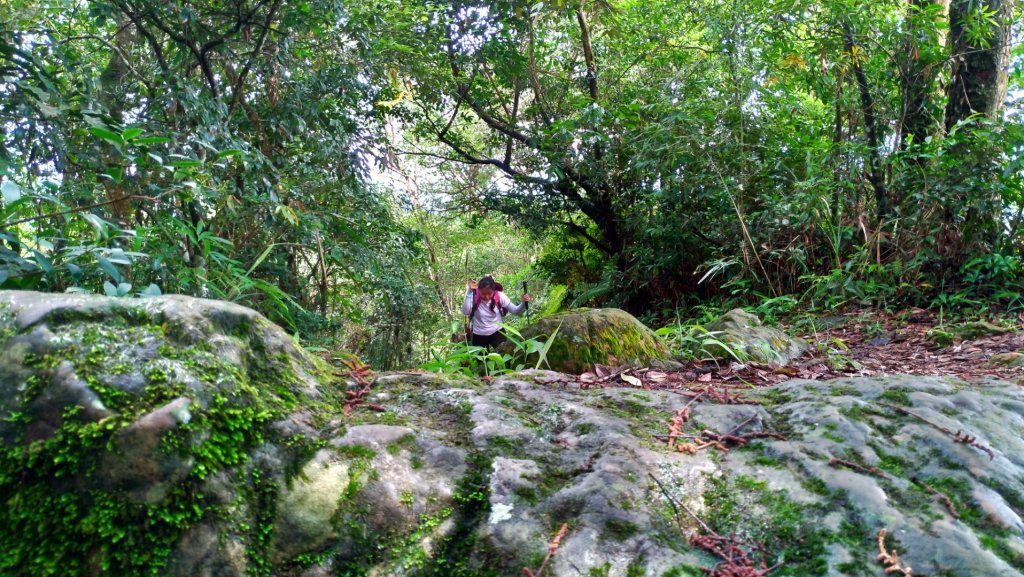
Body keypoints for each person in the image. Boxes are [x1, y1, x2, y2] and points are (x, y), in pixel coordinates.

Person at [462, 275, 532, 349]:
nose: (486, 297)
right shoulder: (473, 297)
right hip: (479, 334)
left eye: (489, 293)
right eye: (483, 294)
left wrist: (524, 303)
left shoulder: (499, 296)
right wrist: (469, 292)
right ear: (478, 290)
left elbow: (515, 311)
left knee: (503, 356)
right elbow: (466, 311)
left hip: (497, 332)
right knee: (480, 360)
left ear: (493, 290)